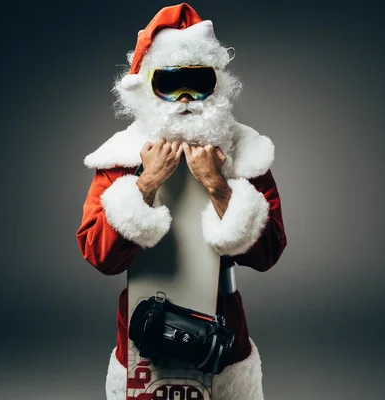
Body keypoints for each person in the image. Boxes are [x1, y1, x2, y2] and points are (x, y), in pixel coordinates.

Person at [76, 3, 287, 399]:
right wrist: (146, 182)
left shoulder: (245, 154)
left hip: (221, 333)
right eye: (171, 84)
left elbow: (269, 253)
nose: (186, 98)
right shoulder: (120, 159)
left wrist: (219, 186)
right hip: (143, 332)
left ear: (217, 86)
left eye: (199, 83)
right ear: (148, 88)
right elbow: (99, 256)